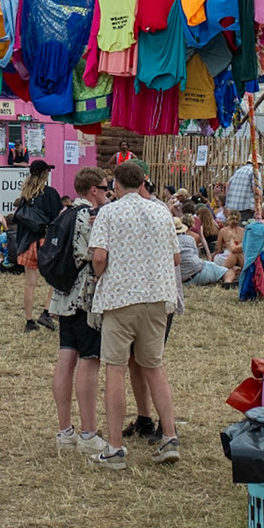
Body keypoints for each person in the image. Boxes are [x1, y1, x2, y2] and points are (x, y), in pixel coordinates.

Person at [87, 159, 182, 469]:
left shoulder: (109, 213)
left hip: (120, 298)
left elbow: (99, 256)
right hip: (157, 297)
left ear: (115, 185)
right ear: (143, 183)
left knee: (115, 369)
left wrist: (98, 275)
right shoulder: (161, 212)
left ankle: (115, 447)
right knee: (154, 367)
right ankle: (169, 436)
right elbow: (176, 257)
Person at [49, 166, 112, 456]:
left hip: (63, 294)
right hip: (87, 296)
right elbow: (98, 255)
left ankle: (65, 430)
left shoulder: (65, 213)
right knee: (89, 360)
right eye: (105, 187)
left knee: (66, 357)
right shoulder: (91, 216)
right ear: (94, 190)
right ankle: (89, 432)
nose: (109, 192)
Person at [10, 161, 65, 332]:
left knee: (30, 284)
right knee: (55, 280)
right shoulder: (51, 193)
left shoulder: (26, 195)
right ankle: (46, 312)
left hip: (28, 243)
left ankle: (29, 321)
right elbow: (58, 219)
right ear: (44, 174)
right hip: (45, 242)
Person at [175, 217, 226, 287]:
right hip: (197, 270)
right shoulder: (191, 238)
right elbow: (196, 254)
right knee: (226, 272)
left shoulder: (166, 242)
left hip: (180, 277)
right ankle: (227, 283)